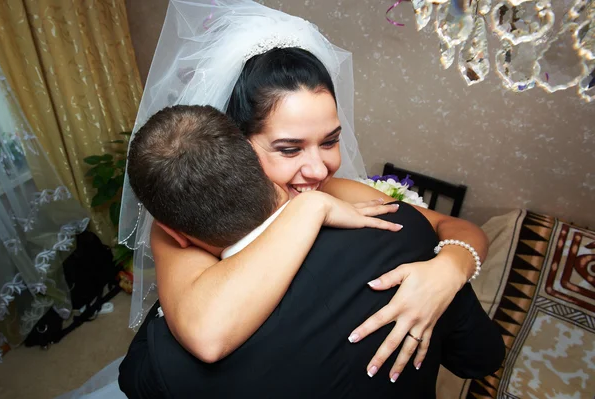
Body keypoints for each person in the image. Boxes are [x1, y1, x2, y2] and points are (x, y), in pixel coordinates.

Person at [116, 0, 490, 378]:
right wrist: (309, 208)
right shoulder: (191, 225)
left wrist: (448, 270)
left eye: (329, 141)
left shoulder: (338, 190)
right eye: (289, 149)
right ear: (234, 144)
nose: (318, 168)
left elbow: (457, 229)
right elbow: (207, 333)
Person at [118, 104, 504, 398]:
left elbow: (133, 378)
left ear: (174, 235)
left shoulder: (165, 364)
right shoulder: (402, 229)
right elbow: (479, 357)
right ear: (255, 161)